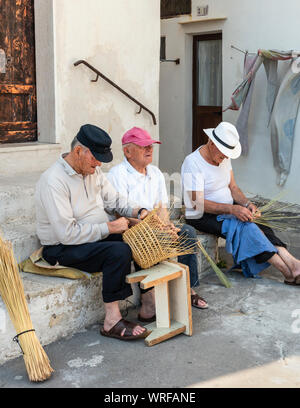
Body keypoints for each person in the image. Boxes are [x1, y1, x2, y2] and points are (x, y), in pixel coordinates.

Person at [35, 124, 151, 341]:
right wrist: (108, 227)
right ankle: (111, 320)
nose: (98, 163)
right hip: (62, 249)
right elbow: (66, 234)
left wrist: (139, 211)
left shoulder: (92, 171)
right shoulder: (53, 181)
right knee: (118, 251)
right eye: (95, 158)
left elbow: (114, 199)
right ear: (78, 151)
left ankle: (149, 300)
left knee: (138, 237)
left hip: (91, 238)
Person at [108, 127, 208, 322]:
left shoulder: (155, 173)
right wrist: (154, 229)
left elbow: (161, 206)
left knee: (186, 232)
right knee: (146, 241)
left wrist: (165, 226)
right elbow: (122, 212)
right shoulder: (117, 174)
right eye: (143, 146)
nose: (149, 150)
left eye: (151, 146)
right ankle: (148, 301)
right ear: (127, 151)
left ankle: (189, 288)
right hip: (131, 229)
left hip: (154, 225)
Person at [181, 121, 300, 285]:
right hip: (201, 215)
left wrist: (246, 204)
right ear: (212, 143)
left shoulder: (223, 157)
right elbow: (195, 203)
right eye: (223, 154)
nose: (225, 158)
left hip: (227, 211)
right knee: (247, 227)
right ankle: (287, 270)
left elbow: (234, 187)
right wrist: (231, 209)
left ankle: (293, 263)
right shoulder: (192, 163)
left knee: (258, 221)